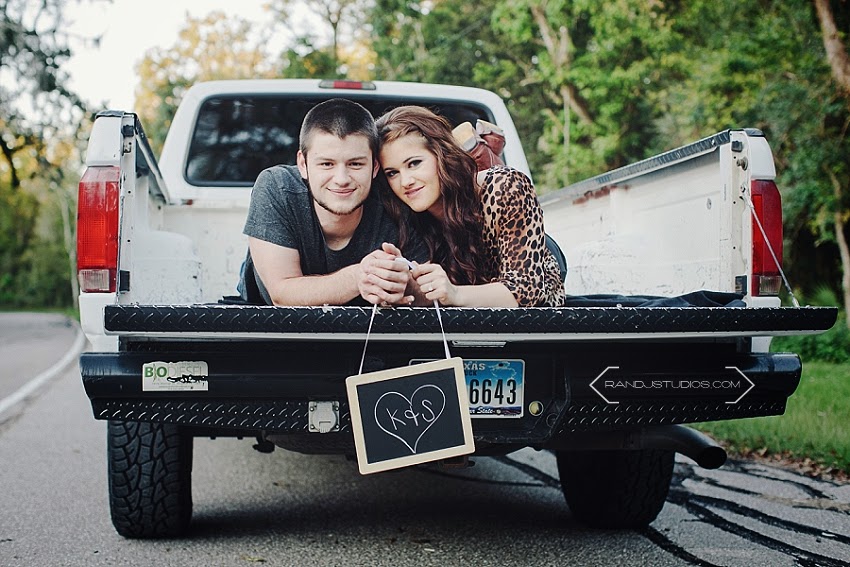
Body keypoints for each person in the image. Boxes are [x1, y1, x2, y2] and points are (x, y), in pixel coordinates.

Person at [240, 98, 426, 306]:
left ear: (374, 167)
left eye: (355, 164)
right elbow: (282, 293)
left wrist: (402, 284)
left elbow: (427, 291)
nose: (341, 179)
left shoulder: (396, 198)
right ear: (303, 164)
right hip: (268, 329)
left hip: (371, 333)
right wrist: (359, 277)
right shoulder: (278, 187)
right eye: (327, 164)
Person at [374, 105, 566, 307]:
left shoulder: (505, 187)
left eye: (414, 163)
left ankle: (484, 152)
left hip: (537, 273)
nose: (405, 181)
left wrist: (455, 293)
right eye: (392, 173)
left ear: (442, 154)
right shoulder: (399, 213)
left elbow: (526, 291)